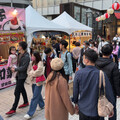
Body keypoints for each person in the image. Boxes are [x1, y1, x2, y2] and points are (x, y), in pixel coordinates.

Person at [73, 49, 115, 120]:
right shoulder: (101, 74)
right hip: (97, 109)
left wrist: (76, 102)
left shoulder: (78, 73)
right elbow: (108, 92)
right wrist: (111, 107)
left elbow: (75, 91)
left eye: (83, 58)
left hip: (83, 108)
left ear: (87, 60)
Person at [96, 44, 120, 120]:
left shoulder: (96, 63)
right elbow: (116, 81)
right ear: (111, 53)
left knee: (100, 110)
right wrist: (118, 93)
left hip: (98, 90)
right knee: (112, 109)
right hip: (111, 91)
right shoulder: (113, 65)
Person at [6, 41, 30, 116]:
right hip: (18, 74)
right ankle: (26, 102)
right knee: (22, 88)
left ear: (21, 47)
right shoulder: (19, 54)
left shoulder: (26, 56)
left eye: (19, 46)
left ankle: (13, 109)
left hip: (22, 76)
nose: (17, 47)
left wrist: (15, 69)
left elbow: (23, 68)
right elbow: (18, 64)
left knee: (17, 91)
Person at [24, 51, 45, 119]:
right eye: (31, 56)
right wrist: (32, 73)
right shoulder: (31, 63)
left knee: (34, 97)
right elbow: (28, 71)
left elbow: (39, 72)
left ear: (36, 56)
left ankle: (30, 113)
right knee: (37, 94)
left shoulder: (40, 63)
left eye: (33, 56)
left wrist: (32, 73)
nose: (32, 57)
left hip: (38, 82)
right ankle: (42, 105)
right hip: (33, 81)